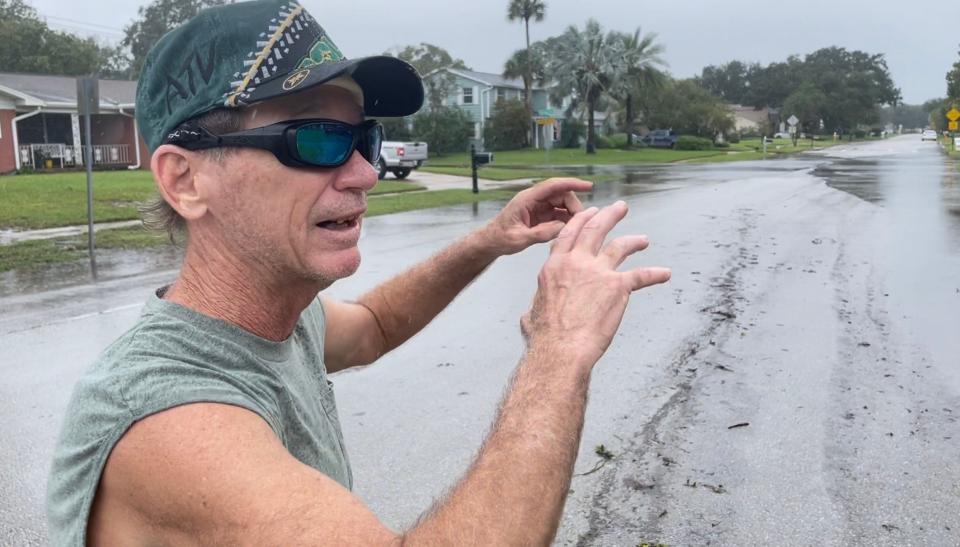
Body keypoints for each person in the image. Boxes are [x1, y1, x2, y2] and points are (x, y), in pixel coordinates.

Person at [46, 1, 671, 545]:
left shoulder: (274, 321)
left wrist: (489, 240)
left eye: (363, 139)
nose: (366, 173)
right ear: (185, 180)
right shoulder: (168, 419)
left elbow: (372, 327)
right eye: (317, 140)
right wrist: (559, 349)